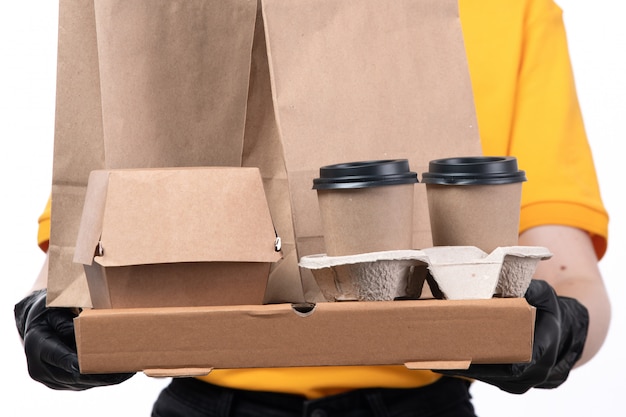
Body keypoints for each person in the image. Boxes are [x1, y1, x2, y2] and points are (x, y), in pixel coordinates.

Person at [15, 0, 611, 415]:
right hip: (207, 403)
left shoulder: (510, 9)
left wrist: (562, 328)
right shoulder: (173, 16)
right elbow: (86, 246)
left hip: (423, 404)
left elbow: (569, 269)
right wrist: (49, 311)